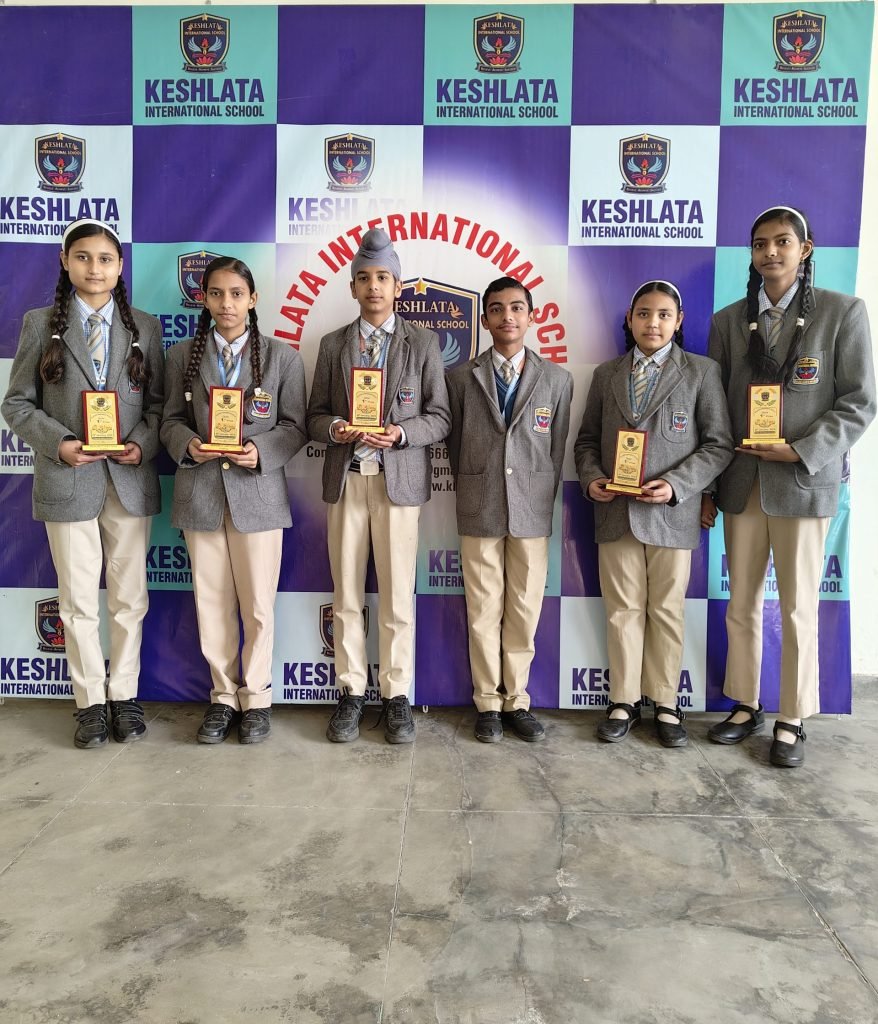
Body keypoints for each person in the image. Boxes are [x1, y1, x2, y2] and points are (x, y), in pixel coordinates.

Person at [703, 206, 876, 767]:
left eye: (782, 241)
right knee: (741, 603)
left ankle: (793, 717)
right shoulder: (729, 321)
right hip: (741, 480)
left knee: (799, 605)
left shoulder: (842, 312)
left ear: (805, 248)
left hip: (802, 480)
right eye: (760, 244)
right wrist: (710, 482)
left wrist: (801, 449)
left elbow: (860, 402)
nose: (770, 252)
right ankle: (745, 703)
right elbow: (714, 408)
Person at [2, 219, 164, 748]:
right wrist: (61, 443)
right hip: (67, 477)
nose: (95, 268)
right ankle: (90, 702)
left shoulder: (144, 327)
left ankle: (125, 695)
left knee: (129, 597)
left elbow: (160, 406)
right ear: (65, 261)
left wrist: (141, 442)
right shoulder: (39, 324)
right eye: (84, 257)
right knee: (76, 599)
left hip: (128, 479)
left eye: (106, 259)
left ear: (120, 267)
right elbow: (16, 404)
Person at [306, 228, 451, 744]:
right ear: (351, 286)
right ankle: (350, 691)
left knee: (396, 596)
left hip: (398, 484)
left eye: (383, 278)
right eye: (364, 278)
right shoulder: (333, 345)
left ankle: (396, 695)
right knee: (346, 593)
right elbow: (314, 415)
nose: (373, 287)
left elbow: (441, 417)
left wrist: (402, 433)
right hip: (347, 481)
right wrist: (335, 428)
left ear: (398, 286)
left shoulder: (422, 343)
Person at [575, 281, 733, 747]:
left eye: (664, 315)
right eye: (644, 313)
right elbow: (586, 441)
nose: (653, 323)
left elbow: (718, 444)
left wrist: (678, 485)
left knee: (665, 610)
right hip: (616, 511)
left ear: (678, 321)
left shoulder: (702, 372)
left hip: (672, 514)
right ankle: (623, 700)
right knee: (621, 610)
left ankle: (665, 702)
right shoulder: (607, 374)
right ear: (630, 318)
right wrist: (592, 479)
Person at [161, 256, 307, 744]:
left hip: (258, 496)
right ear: (204, 299)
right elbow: (167, 421)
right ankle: (223, 697)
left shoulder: (282, 357)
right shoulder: (182, 356)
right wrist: (188, 444)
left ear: (253, 299)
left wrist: (260, 450)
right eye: (217, 294)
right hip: (200, 493)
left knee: (259, 606)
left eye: (237, 294)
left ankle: (257, 698)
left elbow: (295, 427)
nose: (227, 303)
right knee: (212, 604)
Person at [446, 277, 572, 742]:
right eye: (497, 309)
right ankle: (487, 702)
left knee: (523, 608)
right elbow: (456, 446)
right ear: (484, 320)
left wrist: (535, 493)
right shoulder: (461, 377)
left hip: (531, 509)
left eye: (517, 308)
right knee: (482, 608)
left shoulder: (557, 379)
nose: (508, 317)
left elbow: (555, 449)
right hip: (479, 503)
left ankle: (517, 699)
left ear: (531, 316)